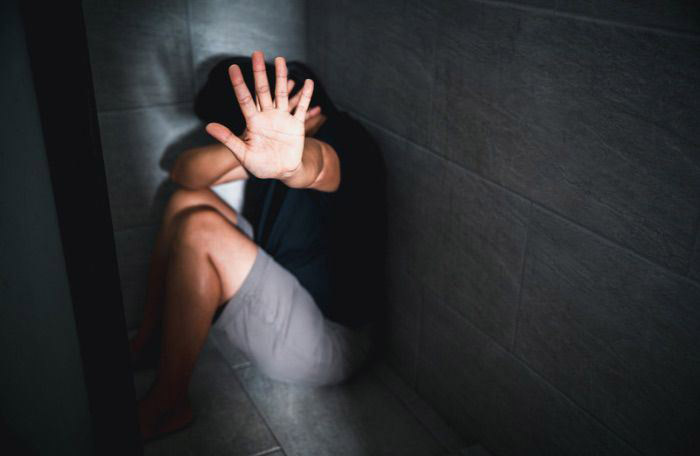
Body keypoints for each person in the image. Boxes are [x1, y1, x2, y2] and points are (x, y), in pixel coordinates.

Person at [129, 51, 385, 440]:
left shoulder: (346, 143)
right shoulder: (270, 147)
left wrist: (292, 165)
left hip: (332, 339)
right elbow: (183, 173)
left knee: (199, 230)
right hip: (294, 285)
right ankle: (150, 339)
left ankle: (169, 403)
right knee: (185, 201)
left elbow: (318, 166)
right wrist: (247, 146)